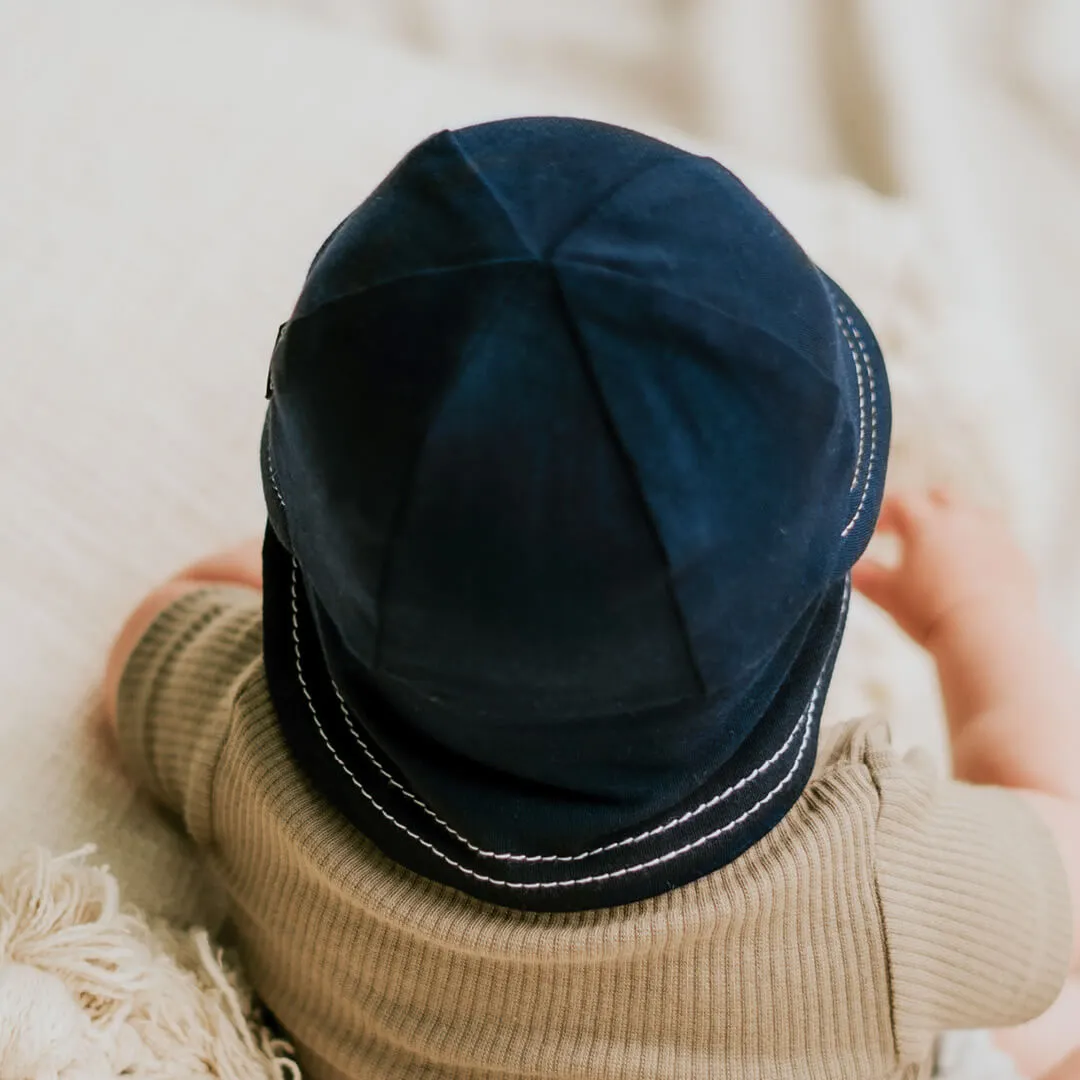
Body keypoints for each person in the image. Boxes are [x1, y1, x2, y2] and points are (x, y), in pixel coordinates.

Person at [103, 118, 1077, 1079]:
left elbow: (150, 631)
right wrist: (979, 620)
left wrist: (351, 566)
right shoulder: (889, 887)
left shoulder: (238, 734)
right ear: (808, 587)